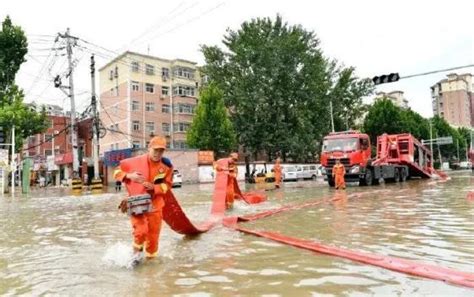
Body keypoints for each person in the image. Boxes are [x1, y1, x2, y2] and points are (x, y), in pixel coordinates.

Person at [113, 136, 173, 261]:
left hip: (156, 205)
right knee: (141, 231)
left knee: (153, 239)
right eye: (155, 150)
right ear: (149, 148)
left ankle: (150, 270)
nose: (158, 153)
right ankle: (134, 259)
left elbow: (167, 186)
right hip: (137, 204)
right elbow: (116, 173)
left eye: (161, 151)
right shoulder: (134, 162)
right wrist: (129, 176)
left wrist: (154, 188)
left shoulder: (167, 165)